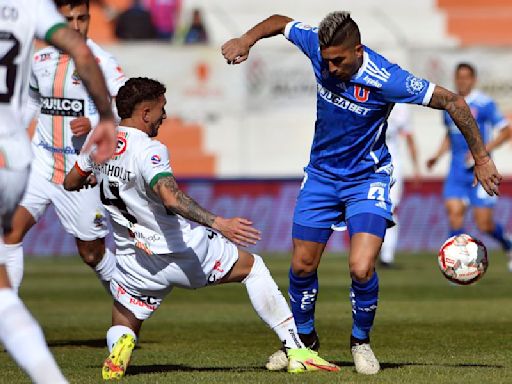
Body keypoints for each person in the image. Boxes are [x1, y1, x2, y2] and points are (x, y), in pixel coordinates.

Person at [221, 12, 501, 375]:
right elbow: (279, 21)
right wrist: (246, 40)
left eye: (339, 60)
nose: (331, 68)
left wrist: (481, 157)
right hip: (321, 176)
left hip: (367, 180)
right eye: (326, 61)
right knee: (302, 265)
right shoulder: (317, 46)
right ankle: (303, 344)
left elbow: (454, 103)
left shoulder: (389, 79)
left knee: (361, 265)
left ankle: (360, 342)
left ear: (357, 50)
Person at [64, 77, 339, 379]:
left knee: (126, 314)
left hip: (135, 258)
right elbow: (170, 197)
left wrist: (100, 178)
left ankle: (122, 343)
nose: (164, 116)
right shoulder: (150, 150)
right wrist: (218, 222)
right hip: (178, 249)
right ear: (144, 112)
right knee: (253, 268)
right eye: (160, 109)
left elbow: (71, 181)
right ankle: (297, 350)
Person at [0, 0, 116, 382]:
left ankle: (129, 310)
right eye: (69, 19)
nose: (77, 25)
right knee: (10, 234)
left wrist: (98, 119)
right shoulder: (40, 59)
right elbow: (33, 99)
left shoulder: (101, 62)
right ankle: (6, 315)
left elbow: (123, 110)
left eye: (82, 18)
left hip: (80, 173)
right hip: (40, 164)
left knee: (91, 252)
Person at [426, 63, 512, 271]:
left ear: (473, 79)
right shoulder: (449, 103)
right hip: (456, 172)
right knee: (454, 213)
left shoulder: (485, 104)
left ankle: (508, 244)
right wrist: (436, 156)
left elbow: (506, 131)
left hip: (480, 173)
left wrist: (481, 152)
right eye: (459, 77)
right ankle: (457, 265)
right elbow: (450, 134)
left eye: (466, 77)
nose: (462, 81)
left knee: (484, 225)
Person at [380, 103, 420, 267]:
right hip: (367, 164)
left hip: (392, 165)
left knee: (391, 209)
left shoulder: (401, 106)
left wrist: (416, 167)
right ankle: (372, 250)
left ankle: (386, 256)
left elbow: (409, 137)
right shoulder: (366, 95)